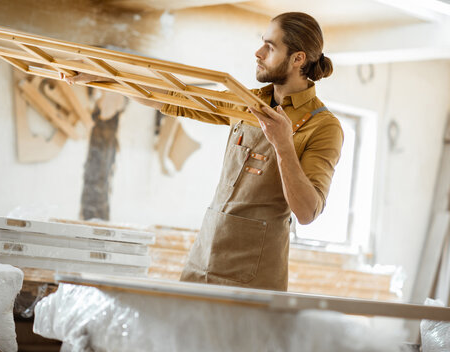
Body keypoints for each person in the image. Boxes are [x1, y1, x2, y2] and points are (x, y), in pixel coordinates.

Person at [62, 12, 343, 292]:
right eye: (262, 43)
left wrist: (283, 145)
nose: (258, 53)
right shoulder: (248, 102)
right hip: (204, 255)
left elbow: (307, 212)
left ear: (298, 59)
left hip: (255, 272)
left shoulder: (323, 126)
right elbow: (171, 98)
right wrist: (104, 77)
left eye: (270, 47)